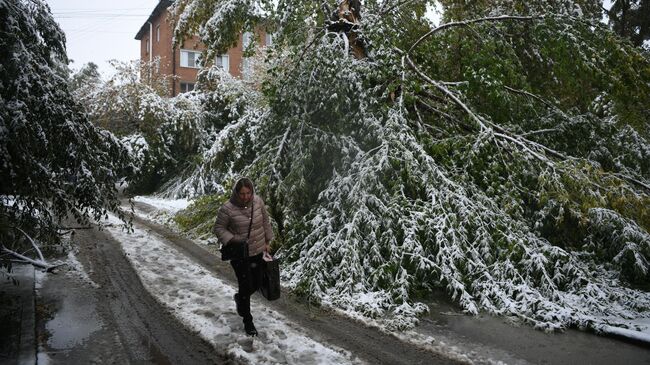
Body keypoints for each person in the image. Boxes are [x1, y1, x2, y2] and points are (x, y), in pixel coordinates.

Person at [213, 177, 273, 336]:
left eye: (248, 193)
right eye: (242, 193)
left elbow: (265, 221)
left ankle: (239, 298)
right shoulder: (227, 208)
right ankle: (248, 321)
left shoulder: (258, 202)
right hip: (240, 255)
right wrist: (232, 239)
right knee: (246, 286)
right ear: (236, 193)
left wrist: (267, 241)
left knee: (258, 282)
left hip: (258, 251)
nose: (245, 196)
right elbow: (218, 228)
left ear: (252, 191)